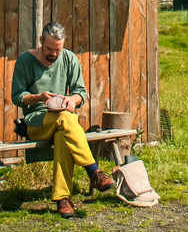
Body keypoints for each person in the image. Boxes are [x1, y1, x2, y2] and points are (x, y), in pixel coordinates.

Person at [11, 22, 114, 218]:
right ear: (41, 41)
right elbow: (17, 96)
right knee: (67, 120)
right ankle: (93, 172)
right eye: (49, 49)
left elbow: (80, 93)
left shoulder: (69, 59)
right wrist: (40, 97)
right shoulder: (25, 60)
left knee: (63, 134)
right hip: (36, 120)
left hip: (63, 120)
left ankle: (62, 200)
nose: (54, 54)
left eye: (58, 49)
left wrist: (71, 101)